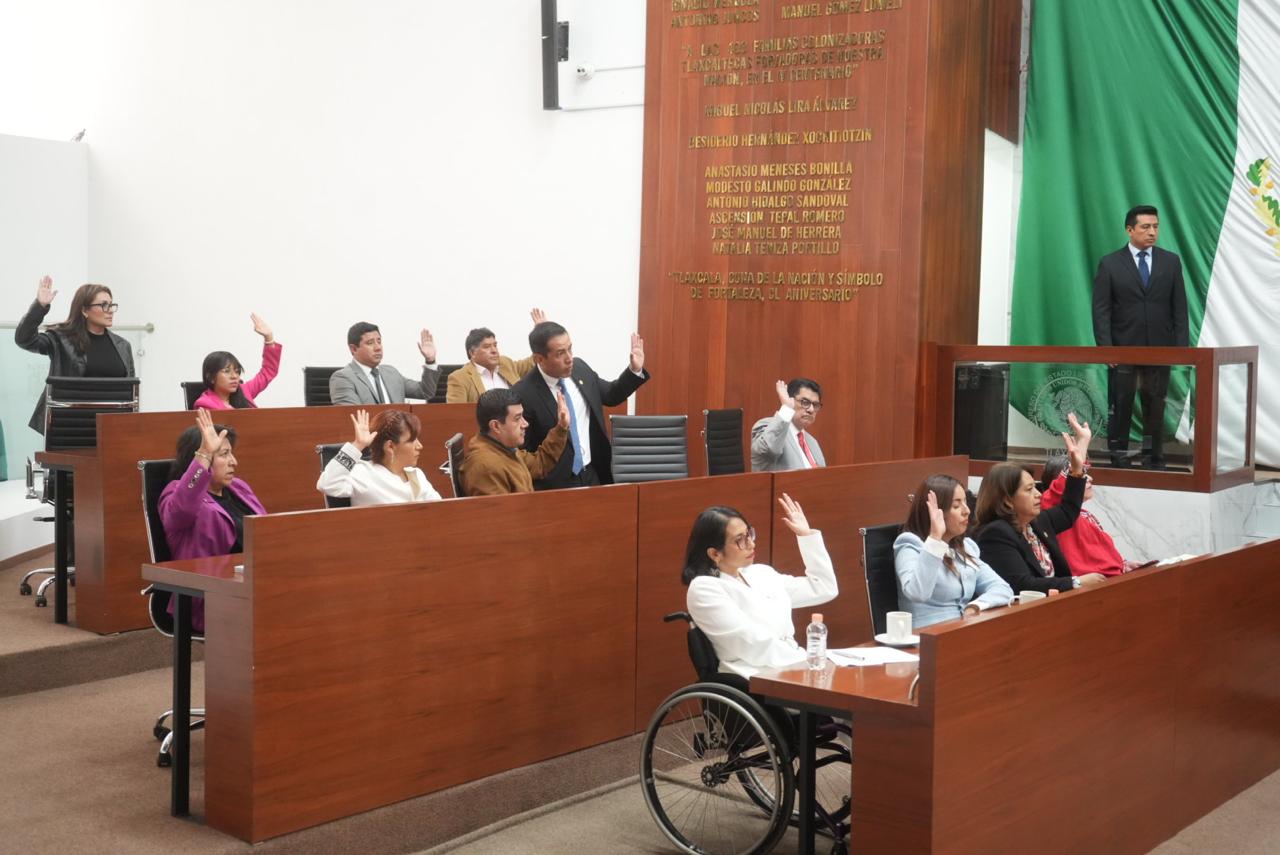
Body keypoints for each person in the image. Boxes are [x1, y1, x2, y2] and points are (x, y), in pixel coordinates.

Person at [682, 494, 836, 679]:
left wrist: (806, 536)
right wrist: (808, 661)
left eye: (749, 534)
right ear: (715, 553)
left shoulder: (761, 573)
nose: (751, 544)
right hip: (754, 676)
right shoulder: (704, 588)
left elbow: (824, 588)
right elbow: (753, 644)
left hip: (794, 665)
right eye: (740, 540)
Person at [1092, 205, 1190, 470]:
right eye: (1145, 227)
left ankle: (1153, 459)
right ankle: (1119, 458)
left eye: (1155, 226)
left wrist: (1181, 350)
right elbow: (1101, 310)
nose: (1152, 232)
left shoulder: (1170, 262)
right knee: (1121, 406)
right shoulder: (1111, 264)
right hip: (1122, 351)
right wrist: (1106, 349)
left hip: (1160, 351)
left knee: (1155, 408)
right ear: (1129, 229)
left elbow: (1179, 308)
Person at [974, 413, 1108, 594]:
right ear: (1007, 500)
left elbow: (1069, 509)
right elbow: (1022, 584)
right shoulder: (996, 534)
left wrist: (1078, 464)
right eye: (1029, 490)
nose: (1038, 494)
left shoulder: (1036, 523)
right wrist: (1076, 582)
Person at [159, 409, 267, 632]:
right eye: (224, 454)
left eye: (231, 454)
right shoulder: (176, 493)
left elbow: (265, 532)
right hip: (211, 596)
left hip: (253, 583)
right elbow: (181, 509)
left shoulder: (239, 488)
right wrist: (205, 453)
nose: (234, 462)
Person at [511, 321, 649, 489]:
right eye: (560, 353)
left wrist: (634, 370)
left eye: (570, 349)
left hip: (592, 473)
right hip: (554, 484)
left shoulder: (580, 369)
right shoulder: (523, 393)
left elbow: (611, 395)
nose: (569, 358)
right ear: (539, 359)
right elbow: (524, 451)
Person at [15, 276, 134, 434]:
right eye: (104, 305)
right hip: (71, 426)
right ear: (84, 310)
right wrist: (40, 306)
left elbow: (131, 392)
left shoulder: (123, 345)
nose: (110, 310)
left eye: (111, 305)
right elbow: (24, 340)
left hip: (111, 429)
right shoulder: (61, 339)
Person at [893, 475, 1014, 629]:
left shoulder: (965, 547)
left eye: (965, 502)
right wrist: (935, 539)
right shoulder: (910, 544)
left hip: (963, 630)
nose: (967, 511)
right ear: (935, 513)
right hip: (927, 635)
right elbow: (918, 593)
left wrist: (975, 606)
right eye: (956, 506)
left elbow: (1002, 588)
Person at [1039, 456, 1142, 577]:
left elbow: (1101, 556)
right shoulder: (1051, 508)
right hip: (1088, 584)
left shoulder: (1086, 514)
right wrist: (1079, 453)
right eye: (1082, 475)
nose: (1090, 479)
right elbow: (1057, 491)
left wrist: (1123, 565)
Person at [316, 409, 442, 505]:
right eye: (412, 440)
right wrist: (358, 445)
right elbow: (327, 484)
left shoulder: (416, 474)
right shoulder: (364, 473)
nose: (420, 446)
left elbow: (440, 508)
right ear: (390, 446)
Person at [459, 388, 570, 496]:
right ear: (496, 426)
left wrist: (561, 427)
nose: (525, 424)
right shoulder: (486, 467)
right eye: (517, 419)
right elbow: (500, 509)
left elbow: (539, 464)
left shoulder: (502, 448)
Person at [445, 308, 545, 403]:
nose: (494, 350)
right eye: (487, 347)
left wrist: (541, 335)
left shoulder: (506, 364)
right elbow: (455, 413)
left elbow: (533, 362)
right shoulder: (459, 378)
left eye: (495, 345)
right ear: (472, 353)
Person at [329, 322, 440, 405]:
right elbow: (353, 417)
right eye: (370, 343)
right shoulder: (343, 378)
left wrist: (430, 360)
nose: (378, 347)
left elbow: (426, 392)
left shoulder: (391, 372)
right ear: (353, 349)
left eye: (379, 341)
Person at [192, 313, 282, 409]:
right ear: (211, 377)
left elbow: (268, 371)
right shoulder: (204, 404)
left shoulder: (244, 391)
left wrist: (269, 338)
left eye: (237, 371)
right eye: (227, 371)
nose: (234, 376)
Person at [750, 379, 826, 472]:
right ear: (790, 400)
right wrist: (786, 408)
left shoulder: (812, 442)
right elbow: (768, 450)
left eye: (815, 405)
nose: (811, 409)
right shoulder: (766, 426)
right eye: (805, 402)